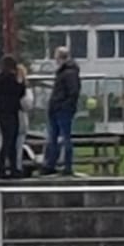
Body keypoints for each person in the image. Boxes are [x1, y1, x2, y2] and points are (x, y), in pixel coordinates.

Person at [44, 47, 81, 177]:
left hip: (62, 109)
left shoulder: (68, 72)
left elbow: (73, 92)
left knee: (64, 137)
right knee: (54, 137)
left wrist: (63, 105)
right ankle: (51, 164)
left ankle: (66, 165)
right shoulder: (66, 71)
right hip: (57, 108)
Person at [0, 58, 28, 180]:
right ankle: (11, 167)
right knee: (10, 140)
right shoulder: (12, 79)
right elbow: (20, 92)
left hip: (2, 111)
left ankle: (2, 167)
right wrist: (21, 82)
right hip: (11, 111)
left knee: (6, 139)